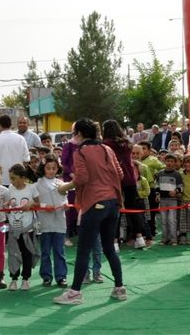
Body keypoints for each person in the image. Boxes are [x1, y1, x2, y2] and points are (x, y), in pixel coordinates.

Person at [54, 118, 126, 305]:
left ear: (79, 134)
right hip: (113, 202)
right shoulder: (107, 149)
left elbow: (82, 178)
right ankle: (119, 288)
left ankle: (75, 293)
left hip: (94, 203)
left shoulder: (81, 151)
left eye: (73, 133)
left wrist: (64, 187)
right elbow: (120, 174)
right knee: (109, 248)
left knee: (84, 250)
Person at [102, 120, 145, 248]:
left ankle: (114, 242)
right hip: (130, 179)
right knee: (133, 209)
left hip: (115, 180)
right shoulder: (127, 143)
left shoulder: (105, 145)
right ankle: (139, 237)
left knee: (115, 211)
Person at [3, 164, 40, 291]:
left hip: (27, 228)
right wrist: (6, 205)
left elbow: (38, 203)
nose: (11, 181)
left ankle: (25, 278)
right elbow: (8, 203)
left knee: (27, 253)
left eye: (13, 178)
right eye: (10, 178)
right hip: (13, 227)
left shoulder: (31, 188)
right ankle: (13, 278)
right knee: (13, 254)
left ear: (23, 177)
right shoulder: (10, 189)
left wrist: (31, 203)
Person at [35, 154, 68, 288]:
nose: (51, 171)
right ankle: (46, 276)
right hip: (44, 222)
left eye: (54, 168)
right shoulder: (37, 184)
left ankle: (61, 277)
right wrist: (44, 206)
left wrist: (66, 204)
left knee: (59, 251)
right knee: (45, 251)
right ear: (43, 168)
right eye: (48, 168)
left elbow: (65, 199)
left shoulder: (61, 183)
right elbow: (35, 203)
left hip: (59, 220)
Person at [0, 114, 30, 186]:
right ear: (11, 124)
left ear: (0, 125)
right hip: (18, 179)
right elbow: (26, 160)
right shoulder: (21, 139)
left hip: (2, 180)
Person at [155, 153, 184, 245]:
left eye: (172, 161)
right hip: (163, 201)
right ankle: (164, 239)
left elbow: (181, 186)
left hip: (173, 201)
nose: (169, 163)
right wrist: (157, 194)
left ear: (175, 163)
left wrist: (176, 191)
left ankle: (173, 239)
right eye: (168, 161)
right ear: (164, 161)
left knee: (172, 220)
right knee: (164, 220)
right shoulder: (160, 173)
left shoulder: (177, 174)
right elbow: (156, 186)